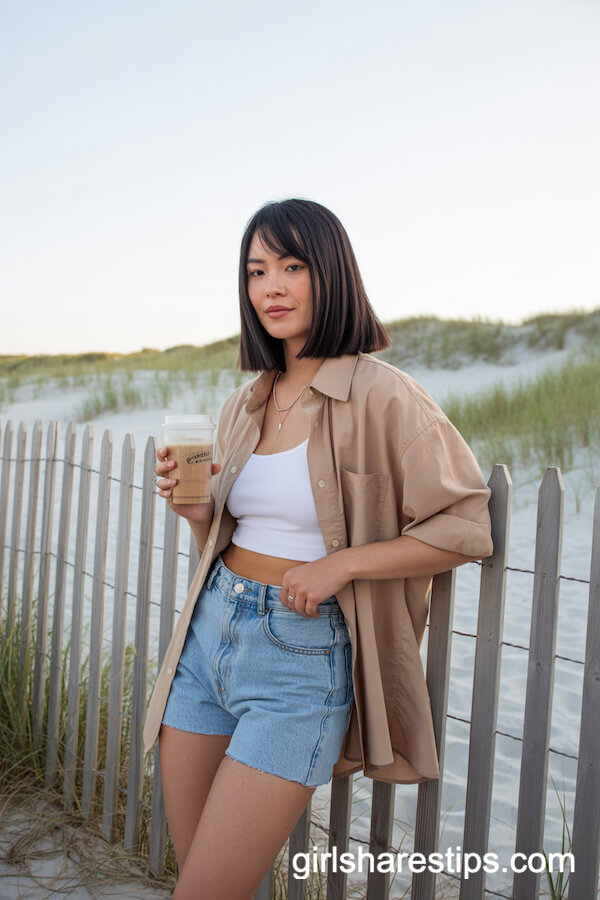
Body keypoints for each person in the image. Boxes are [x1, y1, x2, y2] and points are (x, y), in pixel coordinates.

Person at [145, 198, 493, 900]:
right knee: (203, 882)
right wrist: (197, 513)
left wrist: (344, 564)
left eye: (292, 266)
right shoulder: (246, 402)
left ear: (329, 272)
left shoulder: (384, 395)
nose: (271, 286)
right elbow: (232, 535)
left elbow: (465, 524)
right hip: (208, 640)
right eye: (256, 270)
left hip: (299, 660)